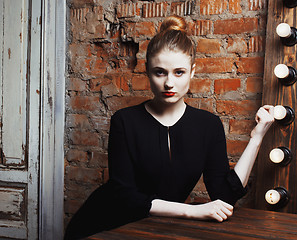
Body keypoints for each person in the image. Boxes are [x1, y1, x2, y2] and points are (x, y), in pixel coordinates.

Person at [64, 15, 274, 239]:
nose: (169, 83)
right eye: (160, 72)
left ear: (193, 71)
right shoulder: (124, 121)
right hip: (102, 227)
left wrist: (256, 137)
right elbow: (123, 195)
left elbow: (224, 197)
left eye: (179, 72)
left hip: (156, 231)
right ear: (147, 71)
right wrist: (191, 211)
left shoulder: (208, 125)